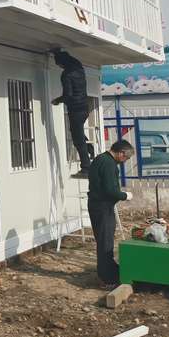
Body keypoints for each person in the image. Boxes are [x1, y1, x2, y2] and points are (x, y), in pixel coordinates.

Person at [87, 139, 134, 288]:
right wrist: (125, 196)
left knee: (104, 241)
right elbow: (110, 190)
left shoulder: (100, 159)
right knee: (105, 243)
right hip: (102, 206)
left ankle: (109, 272)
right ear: (121, 153)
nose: (125, 161)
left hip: (97, 205)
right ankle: (107, 278)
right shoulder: (108, 164)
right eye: (126, 158)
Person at [51, 49, 93, 178]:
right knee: (77, 132)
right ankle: (90, 150)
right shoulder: (79, 69)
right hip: (84, 107)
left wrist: (57, 101)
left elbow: (68, 95)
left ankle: (86, 168)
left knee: (77, 139)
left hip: (75, 109)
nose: (59, 66)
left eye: (59, 64)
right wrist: (56, 52)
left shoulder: (66, 75)